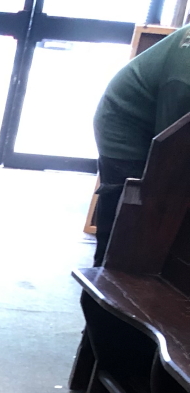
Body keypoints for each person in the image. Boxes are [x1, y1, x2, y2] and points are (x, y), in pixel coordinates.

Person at [93, 26, 190, 263]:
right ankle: (104, 286)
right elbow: (170, 147)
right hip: (125, 129)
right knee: (128, 219)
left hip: (162, 117)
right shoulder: (183, 79)